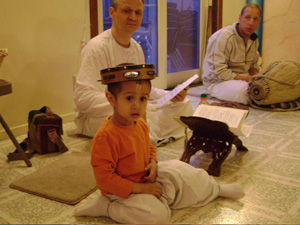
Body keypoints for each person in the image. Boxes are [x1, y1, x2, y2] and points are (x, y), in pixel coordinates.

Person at [74, 64, 245, 224]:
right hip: (121, 192)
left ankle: (215, 189)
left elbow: (148, 147)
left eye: (143, 99)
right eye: (129, 98)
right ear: (111, 99)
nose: (137, 106)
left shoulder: (139, 122)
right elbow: (105, 180)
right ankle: (107, 207)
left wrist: (153, 163)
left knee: (183, 169)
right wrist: (141, 189)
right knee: (158, 216)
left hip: (146, 176)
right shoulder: (106, 137)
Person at [73, 0, 193, 145]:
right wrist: (126, 104)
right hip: (99, 115)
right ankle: (147, 137)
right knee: (144, 113)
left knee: (183, 105)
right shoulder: (96, 48)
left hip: (131, 109)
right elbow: (83, 99)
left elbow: (141, 89)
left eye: (138, 12)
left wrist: (169, 95)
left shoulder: (137, 48)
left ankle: (148, 134)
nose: (133, 17)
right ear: (112, 12)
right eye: (126, 11)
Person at [202, 3, 262, 105]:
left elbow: (253, 66)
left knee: (265, 87)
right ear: (240, 18)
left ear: (259, 21)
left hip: (243, 80)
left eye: (255, 19)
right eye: (247, 18)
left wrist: (259, 79)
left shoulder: (254, 40)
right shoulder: (223, 37)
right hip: (218, 82)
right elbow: (218, 73)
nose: (251, 23)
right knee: (247, 91)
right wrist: (247, 79)